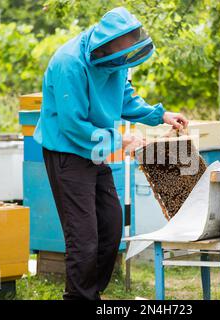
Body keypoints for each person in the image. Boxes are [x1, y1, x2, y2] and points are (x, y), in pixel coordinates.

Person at [33, 7, 188, 300]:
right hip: (67, 151)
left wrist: (160, 115)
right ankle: (80, 297)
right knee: (84, 237)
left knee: (111, 226)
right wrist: (121, 140)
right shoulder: (70, 64)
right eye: (119, 53)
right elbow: (72, 125)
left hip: (97, 148)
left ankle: (91, 293)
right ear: (105, 43)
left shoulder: (117, 57)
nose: (122, 60)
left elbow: (126, 97)